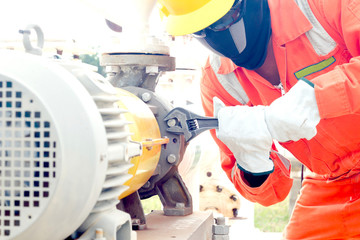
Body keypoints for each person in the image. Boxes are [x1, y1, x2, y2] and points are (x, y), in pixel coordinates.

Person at [157, 0, 360, 239]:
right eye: (200, 30)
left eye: (224, 19)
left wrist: (319, 96)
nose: (216, 36)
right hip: (332, 180)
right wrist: (253, 164)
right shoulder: (219, 82)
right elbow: (270, 194)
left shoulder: (323, 6)